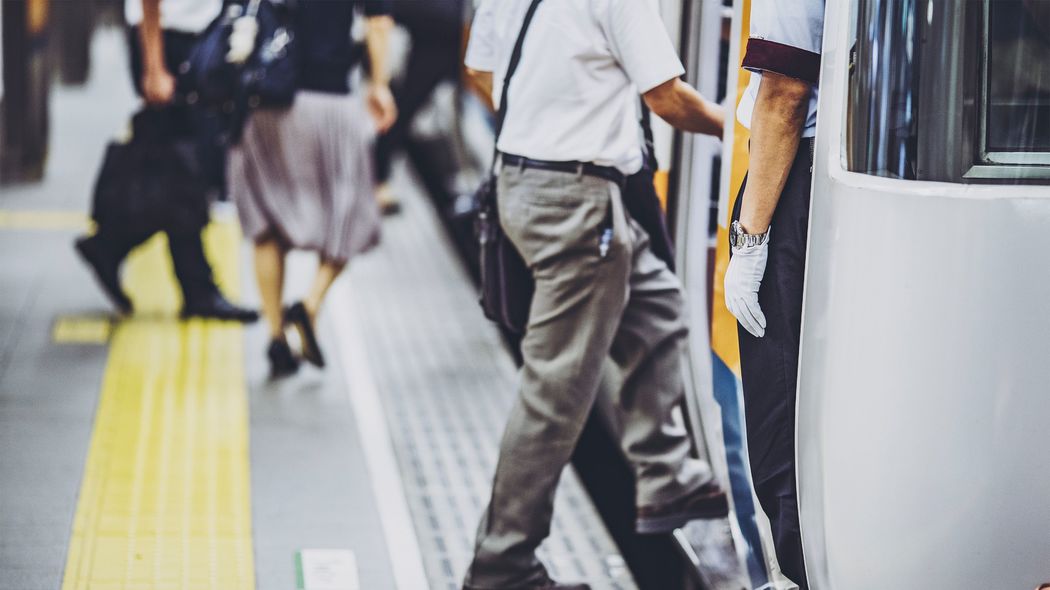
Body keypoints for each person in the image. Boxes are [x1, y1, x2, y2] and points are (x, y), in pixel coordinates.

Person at [462, 1, 727, 588]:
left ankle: (664, 475)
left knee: (657, 305)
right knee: (553, 393)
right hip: (578, 203)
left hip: (524, 183)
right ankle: (502, 565)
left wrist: (539, 128)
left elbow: (478, 72)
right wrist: (735, 128)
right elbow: (665, 98)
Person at [227, 0, 397, 378]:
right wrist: (380, 85)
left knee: (267, 222)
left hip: (265, 96)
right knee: (352, 216)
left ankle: (275, 338)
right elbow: (378, 22)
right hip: (329, 103)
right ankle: (310, 303)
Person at [722, 1, 825, 588]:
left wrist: (751, 239)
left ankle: (796, 566)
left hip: (793, 190)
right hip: (820, 175)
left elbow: (784, 94)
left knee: (777, 408)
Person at [75, 0, 259, 322]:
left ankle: (112, 246)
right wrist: (154, 65)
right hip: (166, 43)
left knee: (173, 166)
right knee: (183, 166)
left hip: (190, 39)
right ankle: (193, 287)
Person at [374, 0, 465, 214]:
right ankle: (377, 174)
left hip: (441, 27)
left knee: (407, 103)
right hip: (442, 26)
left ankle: (379, 170)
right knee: (406, 105)